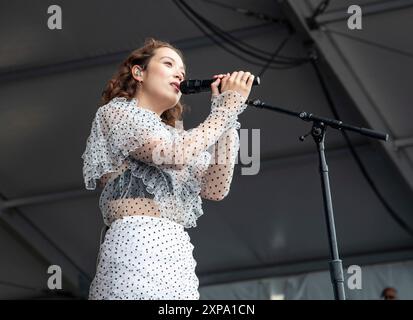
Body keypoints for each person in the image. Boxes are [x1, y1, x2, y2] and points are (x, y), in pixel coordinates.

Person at [81, 37, 254, 300]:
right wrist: (223, 113)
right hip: (136, 244)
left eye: (182, 71)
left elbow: (215, 188)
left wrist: (228, 115)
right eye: (168, 63)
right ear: (139, 72)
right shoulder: (117, 113)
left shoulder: (174, 134)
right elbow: (173, 155)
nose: (179, 73)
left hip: (176, 250)